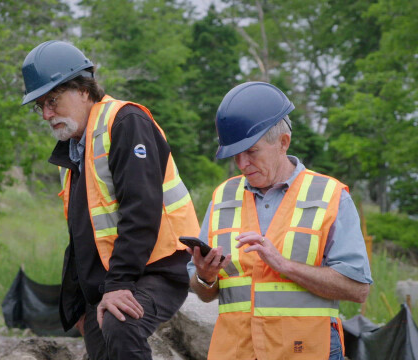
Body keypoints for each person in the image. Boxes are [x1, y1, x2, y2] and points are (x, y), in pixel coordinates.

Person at [20, 40, 200, 359]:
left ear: (84, 89)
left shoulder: (126, 122)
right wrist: (77, 304)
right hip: (114, 277)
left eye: (53, 100)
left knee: (121, 324)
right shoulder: (74, 152)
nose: (47, 114)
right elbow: (80, 238)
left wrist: (119, 284)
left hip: (158, 269)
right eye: (40, 106)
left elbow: (140, 211)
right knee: (102, 340)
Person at [187, 81, 373, 360]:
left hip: (305, 352)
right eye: (235, 155)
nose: (242, 163)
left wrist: (284, 265)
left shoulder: (330, 196)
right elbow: (202, 291)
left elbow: (358, 289)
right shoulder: (222, 197)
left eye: (251, 151)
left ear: (283, 142)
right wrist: (206, 276)